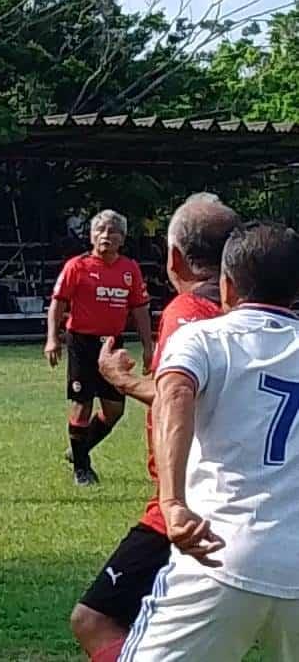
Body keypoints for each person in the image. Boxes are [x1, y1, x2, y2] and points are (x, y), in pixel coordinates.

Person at [69, 197, 240, 662]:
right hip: (241, 496)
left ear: (174, 258)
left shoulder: (186, 310)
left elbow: (181, 396)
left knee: (93, 619)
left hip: (185, 502)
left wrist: (122, 379)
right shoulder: (248, 314)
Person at [121, 221, 299, 661]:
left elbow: (174, 392)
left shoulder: (203, 337)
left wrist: (173, 501)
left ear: (226, 285)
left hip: (221, 554)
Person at [45, 210, 154, 486]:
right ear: (92, 236)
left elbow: (140, 309)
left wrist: (148, 346)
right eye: (101, 231)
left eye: (113, 232)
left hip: (112, 343)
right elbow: (58, 303)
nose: (106, 236)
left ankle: (79, 449)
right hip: (81, 342)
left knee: (115, 410)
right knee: (82, 403)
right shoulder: (76, 266)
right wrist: (52, 338)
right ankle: (82, 469)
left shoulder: (130, 269)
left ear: (122, 239)